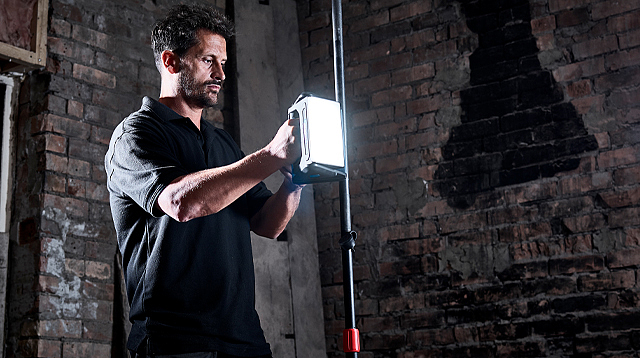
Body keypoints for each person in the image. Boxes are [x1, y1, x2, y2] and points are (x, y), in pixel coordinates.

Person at [105, 4, 304, 358]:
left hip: (245, 341)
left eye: (223, 63)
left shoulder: (222, 142)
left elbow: (268, 224)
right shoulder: (136, 134)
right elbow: (182, 204)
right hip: (176, 343)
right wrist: (272, 155)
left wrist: (295, 181)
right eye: (208, 60)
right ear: (171, 61)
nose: (221, 74)